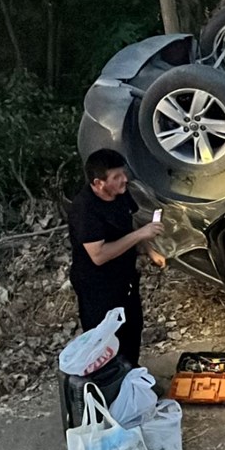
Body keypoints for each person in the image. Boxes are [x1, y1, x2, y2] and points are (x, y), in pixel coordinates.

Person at [67, 149, 165, 366]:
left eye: (123, 173)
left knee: (132, 328)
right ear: (98, 183)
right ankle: (110, 386)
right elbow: (99, 255)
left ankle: (132, 377)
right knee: (106, 340)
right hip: (97, 286)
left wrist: (150, 250)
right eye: (117, 177)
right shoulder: (85, 210)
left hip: (125, 278)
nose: (124, 180)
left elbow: (132, 222)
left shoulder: (121, 193)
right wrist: (140, 234)